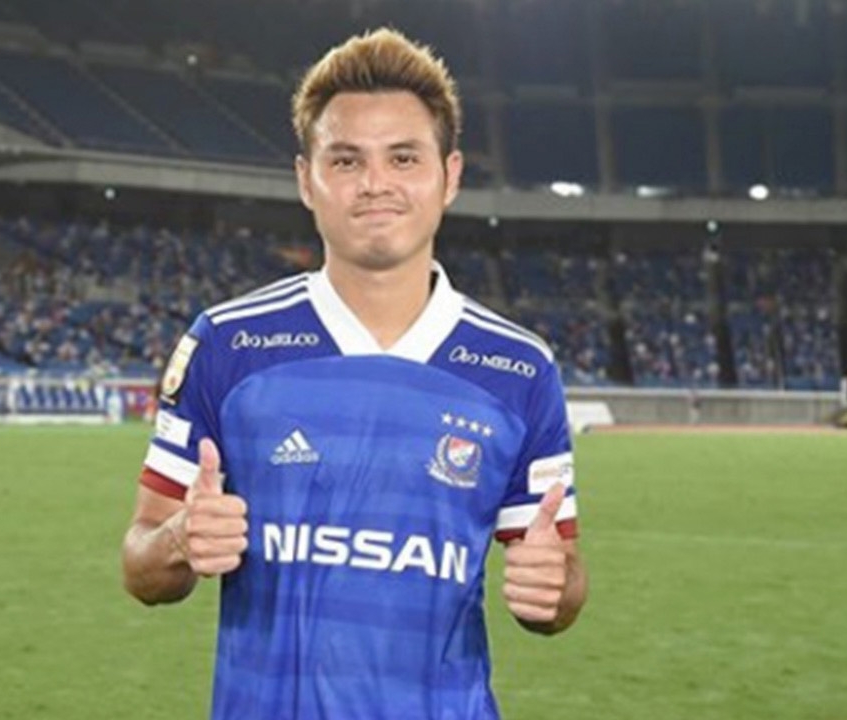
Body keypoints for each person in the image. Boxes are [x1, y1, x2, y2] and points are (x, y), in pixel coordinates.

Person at [121, 28, 587, 719]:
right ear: (305, 179)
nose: (375, 184)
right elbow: (140, 562)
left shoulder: (518, 368)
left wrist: (555, 588)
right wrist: (181, 539)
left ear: (451, 175)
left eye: (404, 157)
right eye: (346, 160)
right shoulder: (227, 344)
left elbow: (563, 581)